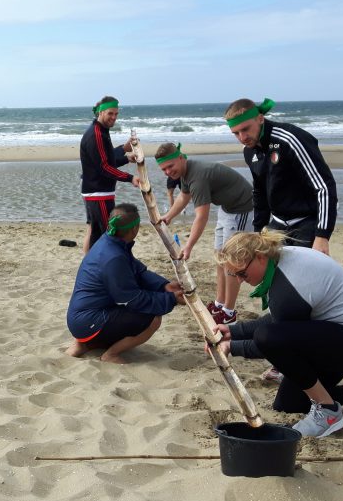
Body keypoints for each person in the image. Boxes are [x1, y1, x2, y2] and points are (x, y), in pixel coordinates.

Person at [213, 231, 343, 438]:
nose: (240, 280)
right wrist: (233, 331)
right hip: (338, 332)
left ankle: (327, 411)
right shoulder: (280, 257)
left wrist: (232, 347)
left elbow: (272, 342)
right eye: (234, 275)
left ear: (260, 257)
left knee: (268, 337)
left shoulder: (288, 286)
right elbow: (279, 322)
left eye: (242, 274)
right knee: (290, 403)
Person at [66, 203, 185, 364]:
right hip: (88, 321)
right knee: (153, 318)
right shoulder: (114, 257)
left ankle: (83, 345)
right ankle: (110, 355)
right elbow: (132, 298)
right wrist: (171, 299)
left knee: (136, 307)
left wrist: (163, 286)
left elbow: (136, 270)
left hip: (78, 318)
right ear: (134, 229)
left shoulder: (108, 241)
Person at [156, 142, 254, 325]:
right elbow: (183, 196)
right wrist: (168, 216)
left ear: (180, 157)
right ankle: (219, 304)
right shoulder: (185, 172)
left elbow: (201, 217)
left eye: (170, 166)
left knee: (231, 263)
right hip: (227, 208)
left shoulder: (197, 178)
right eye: (164, 169)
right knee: (220, 259)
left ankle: (229, 312)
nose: (168, 172)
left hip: (242, 209)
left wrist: (188, 246)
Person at [224, 98, 337, 256]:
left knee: (303, 271)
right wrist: (258, 232)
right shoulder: (249, 151)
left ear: (260, 119)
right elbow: (260, 193)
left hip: (306, 223)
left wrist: (322, 235)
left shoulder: (290, 139)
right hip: (277, 225)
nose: (242, 138)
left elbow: (324, 186)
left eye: (246, 129)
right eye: (236, 133)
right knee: (268, 268)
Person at [79, 96, 141, 253]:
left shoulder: (100, 130)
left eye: (116, 114)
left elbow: (104, 158)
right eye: (110, 113)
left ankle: (88, 264)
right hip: (98, 193)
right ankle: (98, 264)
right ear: (101, 112)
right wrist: (130, 178)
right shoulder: (97, 134)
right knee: (108, 234)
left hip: (93, 190)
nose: (114, 117)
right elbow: (104, 167)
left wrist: (125, 156)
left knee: (93, 232)